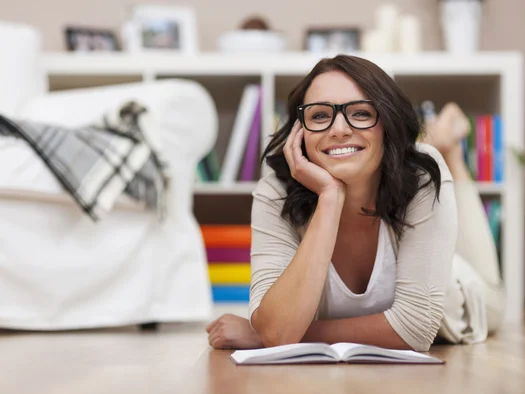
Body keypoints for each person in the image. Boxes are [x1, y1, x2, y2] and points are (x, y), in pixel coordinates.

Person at [206, 55, 504, 351]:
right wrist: (330, 198)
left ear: (387, 123)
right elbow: (277, 329)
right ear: (300, 132)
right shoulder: (276, 190)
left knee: (490, 287)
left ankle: (449, 147)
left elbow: (414, 329)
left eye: (361, 113)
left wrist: (265, 336)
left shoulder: (422, 173)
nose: (338, 129)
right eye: (320, 116)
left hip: (463, 294)